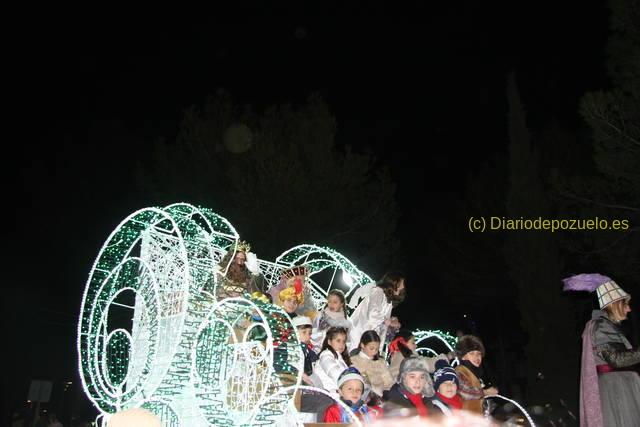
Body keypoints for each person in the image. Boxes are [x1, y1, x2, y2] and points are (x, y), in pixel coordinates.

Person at [562, 273, 640, 426]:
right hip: (616, 390)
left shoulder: (609, 326)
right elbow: (616, 359)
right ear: (615, 305)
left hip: (620, 386)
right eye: (625, 304)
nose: (629, 309)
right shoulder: (602, 326)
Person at [348, 271, 406, 352]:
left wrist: (391, 322)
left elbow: (382, 319)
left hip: (371, 338)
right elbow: (372, 314)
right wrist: (389, 322)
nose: (402, 287)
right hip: (360, 334)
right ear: (394, 282)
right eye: (401, 284)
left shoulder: (388, 301)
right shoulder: (378, 291)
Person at [387, 329, 449, 394]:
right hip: (404, 392)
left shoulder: (397, 357)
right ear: (403, 343)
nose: (416, 346)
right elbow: (428, 363)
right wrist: (446, 357)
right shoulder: (408, 359)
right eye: (413, 343)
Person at [454, 335, 498, 413]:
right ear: (463, 356)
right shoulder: (460, 371)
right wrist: (486, 392)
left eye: (479, 353)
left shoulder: (477, 373)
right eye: (472, 353)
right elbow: (465, 392)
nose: (476, 357)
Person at [350, 330, 395, 399]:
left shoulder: (380, 362)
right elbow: (362, 385)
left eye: (377, 349)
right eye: (371, 348)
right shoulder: (354, 361)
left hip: (385, 396)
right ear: (362, 345)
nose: (374, 352)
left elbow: (389, 381)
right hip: (366, 398)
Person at [313, 326, 352, 396]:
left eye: (344, 341)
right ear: (329, 342)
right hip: (329, 395)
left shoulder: (340, 358)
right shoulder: (325, 355)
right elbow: (334, 373)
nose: (341, 344)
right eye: (338, 341)